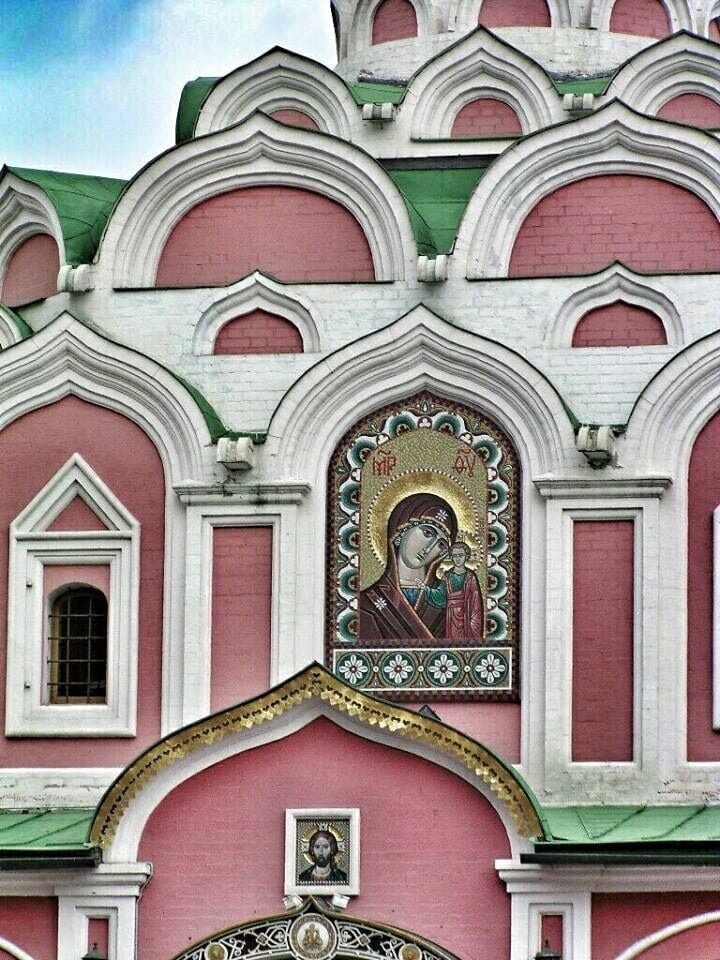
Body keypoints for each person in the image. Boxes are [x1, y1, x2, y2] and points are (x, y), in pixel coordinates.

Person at [359, 493, 458, 641]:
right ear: (402, 528)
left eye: (441, 544)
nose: (429, 548)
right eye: (427, 533)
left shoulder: (447, 600)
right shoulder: (368, 603)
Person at [419, 540, 485, 641]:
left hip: (466, 614)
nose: (458, 559)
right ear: (451, 557)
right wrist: (426, 589)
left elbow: (475, 602)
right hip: (451, 615)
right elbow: (441, 595)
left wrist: (473, 621)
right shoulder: (448, 576)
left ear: (466, 556)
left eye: (460, 555)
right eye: (455, 556)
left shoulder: (470, 577)